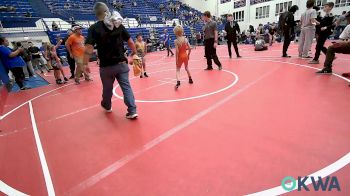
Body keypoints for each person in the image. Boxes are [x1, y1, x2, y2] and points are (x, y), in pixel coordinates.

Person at [84, 2, 138, 119]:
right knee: (126, 87)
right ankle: (132, 110)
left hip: (106, 67)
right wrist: (133, 53)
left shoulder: (94, 28)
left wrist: (84, 63)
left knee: (107, 89)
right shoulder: (118, 24)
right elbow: (130, 42)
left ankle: (107, 106)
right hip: (121, 64)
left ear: (96, 14)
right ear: (106, 11)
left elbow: (89, 47)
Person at [316, 11, 350, 79]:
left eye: (348, 18)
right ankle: (327, 68)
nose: (347, 20)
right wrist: (342, 43)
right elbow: (342, 38)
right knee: (331, 48)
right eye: (347, 18)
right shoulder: (348, 27)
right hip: (348, 45)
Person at [173, 25, 193, 90]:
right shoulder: (185, 39)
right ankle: (190, 79)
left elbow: (177, 51)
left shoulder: (176, 41)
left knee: (178, 69)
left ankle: (178, 81)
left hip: (180, 56)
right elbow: (190, 48)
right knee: (187, 68)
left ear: (175, 33)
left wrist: (176, 60)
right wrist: (189, 55)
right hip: (185, 55)